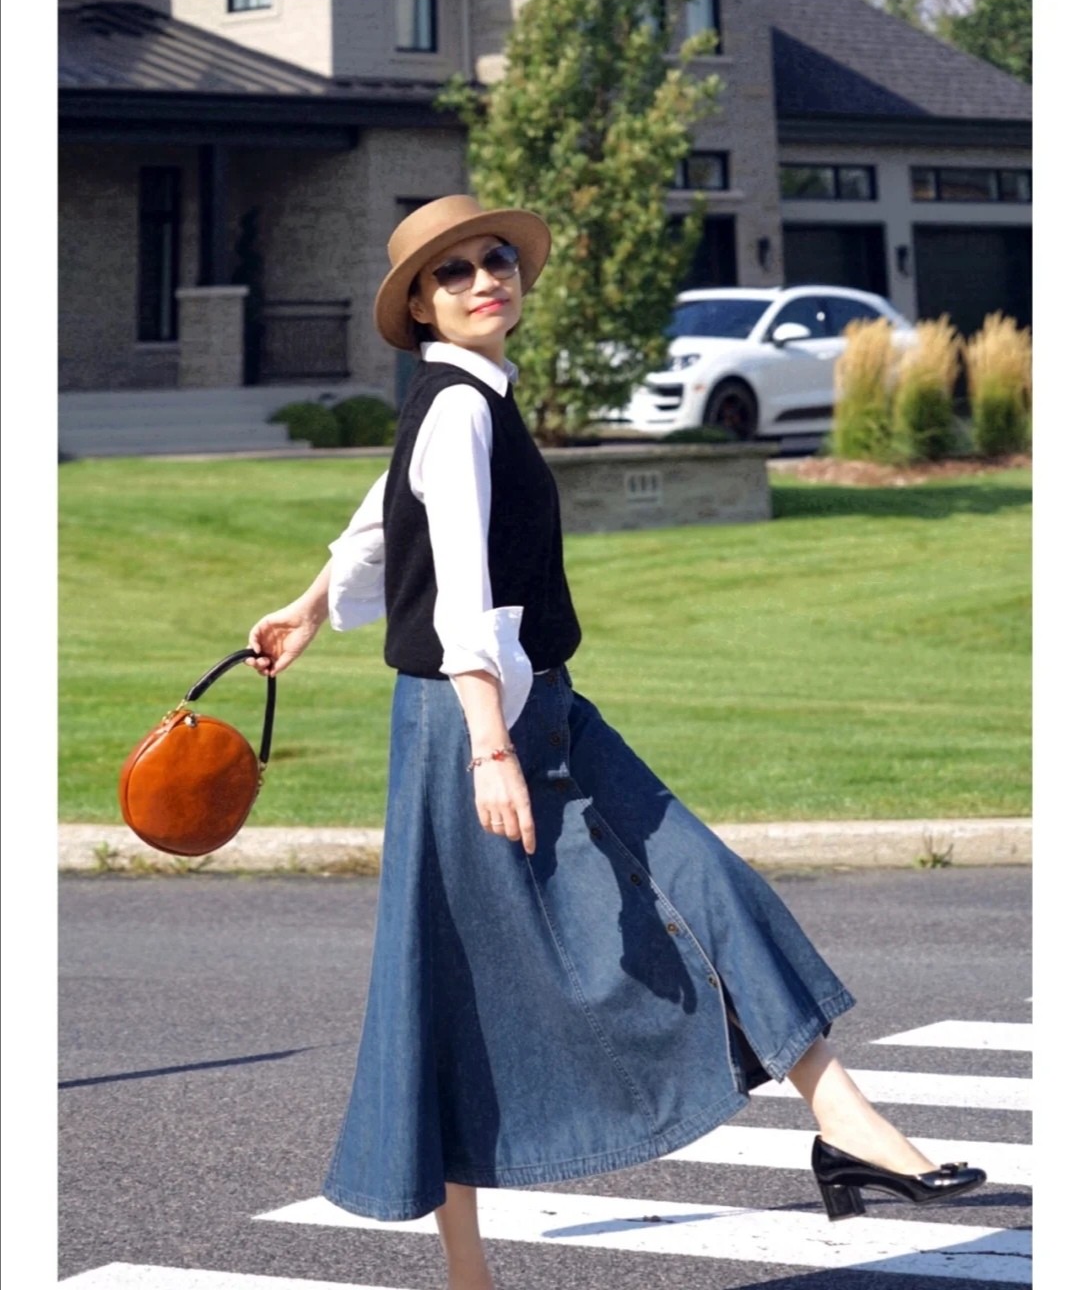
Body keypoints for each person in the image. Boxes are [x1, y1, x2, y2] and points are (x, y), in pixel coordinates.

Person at [247, 196, 985, 1290]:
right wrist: (489, 748)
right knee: (449, 986)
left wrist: (311, 605)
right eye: (454, 272)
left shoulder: (469, 399)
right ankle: (466, 1270)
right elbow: (459, 589)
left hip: (545, 708)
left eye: (497, 258)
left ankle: (846, 1122)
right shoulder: (455, 410)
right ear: (421, 306)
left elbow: (385, 507)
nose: (485, 278)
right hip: (474, 724)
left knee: (706, 878)